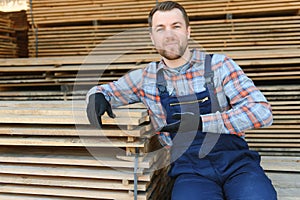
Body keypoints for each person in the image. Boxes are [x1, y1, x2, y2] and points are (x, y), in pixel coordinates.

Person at [86, 1, 277, 199]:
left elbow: (262, 112)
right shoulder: (146, 78)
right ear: (152, 38)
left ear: (188, 31)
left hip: (237, 165)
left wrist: (201, 122)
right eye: (160, 29)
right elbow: (105, 91)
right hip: (191, 171)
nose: (169, 35)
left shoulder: (219, 66)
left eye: (176, 26)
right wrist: (96, 96)